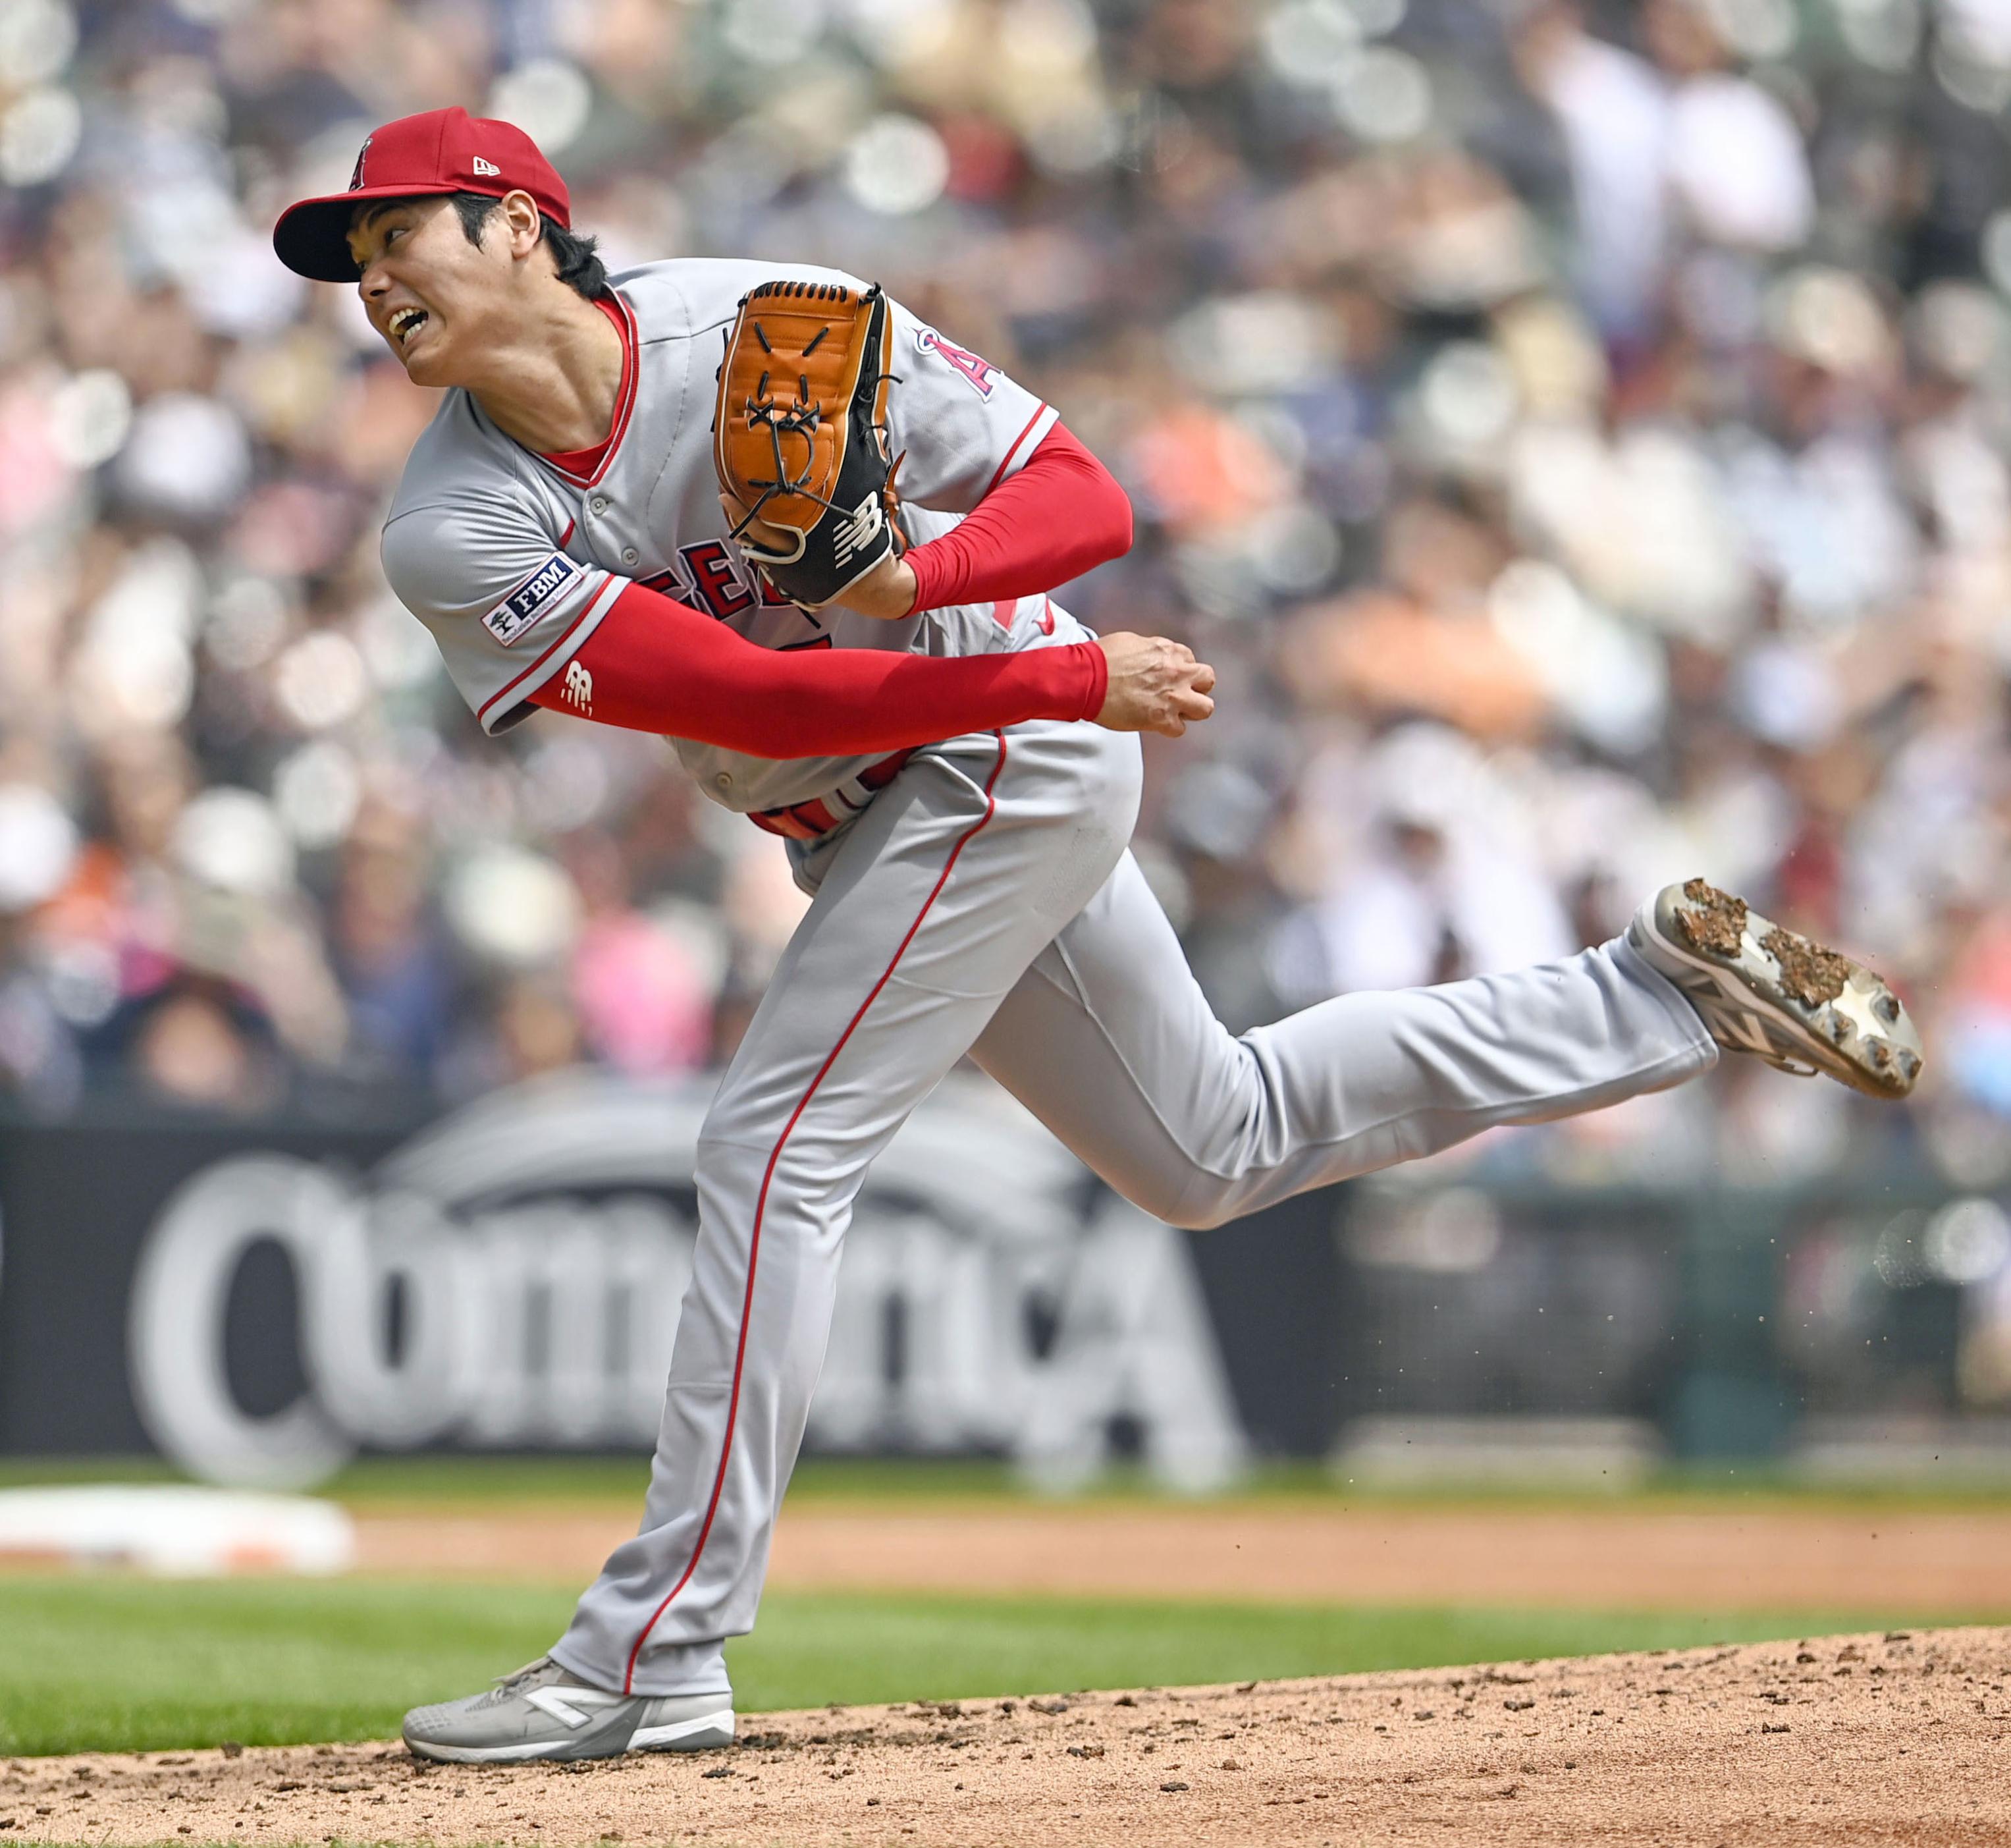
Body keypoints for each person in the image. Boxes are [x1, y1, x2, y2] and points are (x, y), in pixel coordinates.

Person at [272, 108, 1923, 1766]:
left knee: (773, 1144)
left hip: (989, 756)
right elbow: (750, 690)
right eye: (352, 257)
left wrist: (926, 575)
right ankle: (1656, 995)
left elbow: (1083, 495)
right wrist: (1053, 669)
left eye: (395, 231)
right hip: (958, 751)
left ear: (513, 218)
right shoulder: (452, 522)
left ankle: (655, 1650)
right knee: (1214, 1141)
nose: (371, 275)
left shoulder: (766, 324)